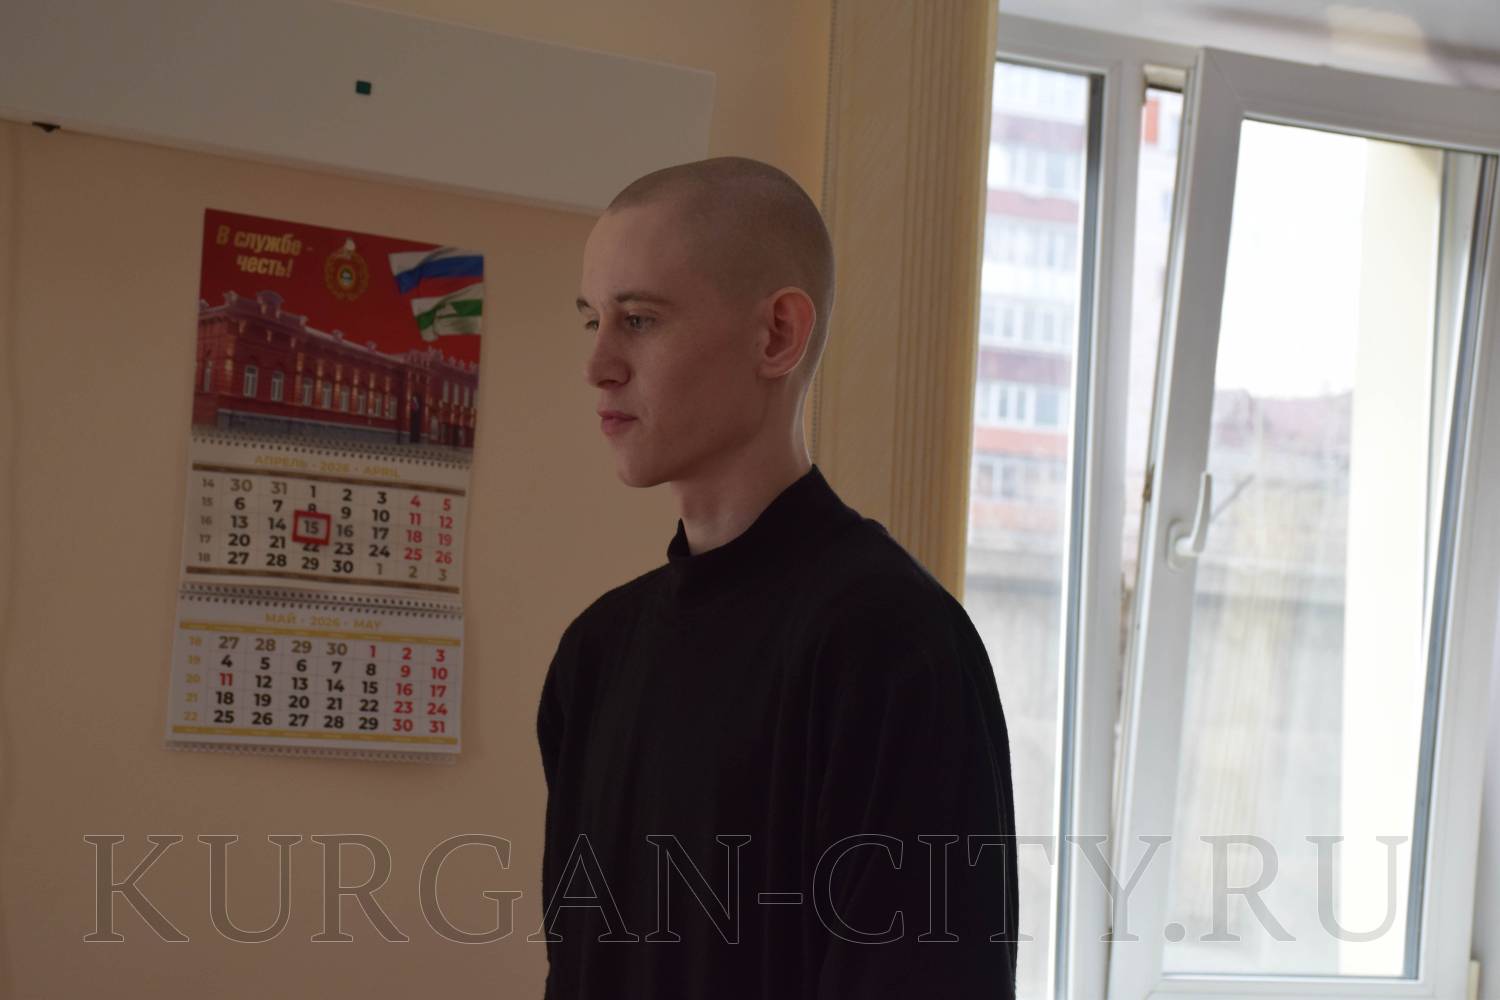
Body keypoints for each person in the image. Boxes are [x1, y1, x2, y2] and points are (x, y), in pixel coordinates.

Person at [536, 155, 1018, 999]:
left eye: (639, 320)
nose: (599, 364)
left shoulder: (890, 644)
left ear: (777, 336)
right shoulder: (596, 653)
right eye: (592, 320)